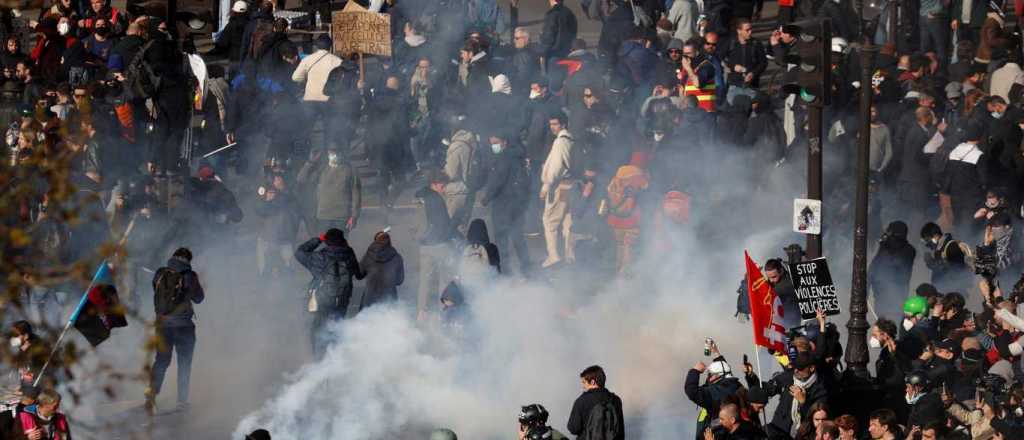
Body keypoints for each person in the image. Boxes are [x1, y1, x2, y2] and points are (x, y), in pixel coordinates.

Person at [147, 247, 205, 414]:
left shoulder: (159, 273)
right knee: (184, 363)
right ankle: (182, 401)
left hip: (162, 325)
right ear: (188, 260)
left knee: (161, 361)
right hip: (184, 327)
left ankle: (151, 397)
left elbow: (156, 294)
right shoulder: (189, 276)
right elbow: (199, 298)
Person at [295, 228, 363, 357]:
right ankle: (335, 355)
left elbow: (300, 252)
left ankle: (316, 354)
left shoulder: (319, 256)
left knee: (318, 324)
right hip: (343, 297)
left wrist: (318, 239)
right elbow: (358, 273)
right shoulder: (349, 253)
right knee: (338, 324)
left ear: (327, 241)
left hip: (322, 297)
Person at [480, 130, 531, 275]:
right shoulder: (517, 157)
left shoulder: (502, 159)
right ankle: (526, 267)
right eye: (491, 144)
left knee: (501, 238)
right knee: (517, 236)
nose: (493, 146)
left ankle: (505, 270)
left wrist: (486, 198)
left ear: (504, 142)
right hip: (517, 203)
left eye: (496, 143)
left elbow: (497, 181)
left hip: (503, 204)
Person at [415, 171, 456, 322]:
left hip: (424, 245)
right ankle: (443, 311)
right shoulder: (436, 199)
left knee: (424, 280)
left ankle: (421, 312)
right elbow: (443, 223)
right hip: (439, 244)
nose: (443, 189)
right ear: (434, 183)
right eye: (442, 185)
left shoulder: (420, 197)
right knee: (445, 277)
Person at [540, 112, 579, 268]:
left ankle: (553, 256)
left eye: (555, 124)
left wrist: (547, 185)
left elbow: (555, 168)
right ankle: (570, 255)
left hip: (559, 186)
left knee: (550, 221)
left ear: (563, 124)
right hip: (571, 185)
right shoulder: (571, 140)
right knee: (568, 221)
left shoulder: (560, 142)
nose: (552, 127)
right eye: (551, 124)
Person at [685, 343, 743, 440]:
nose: (708, 378)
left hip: (716, 435)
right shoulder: (734, 385)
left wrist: (695, 371)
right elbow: (725, 370)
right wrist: (717, 354)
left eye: (710, 375)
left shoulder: (716, 392)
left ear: (717, 376)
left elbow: (692, 391)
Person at [868, 221, 917, 317]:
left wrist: (886, 243)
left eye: (889, 231)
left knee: (893, 320)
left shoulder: (909, 250)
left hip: (896, 294)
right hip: (880, 292)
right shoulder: (885, 247)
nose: (886, 234)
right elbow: (874, 266)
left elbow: (896, 265)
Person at [567, 365, 625, 440]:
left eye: (584, 382)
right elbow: (620, 430)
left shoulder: (581, 401)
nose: (583, 386)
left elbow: (573, 429)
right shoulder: (616, 400)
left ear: (592, 382)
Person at [356, 230, 404, 311]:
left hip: (369, 298)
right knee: (387, 321)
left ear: (375, 241)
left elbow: (359, 275)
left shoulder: (368, 256)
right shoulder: (397, 257)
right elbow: (399, 280)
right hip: (389, 298)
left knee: (367, 321)